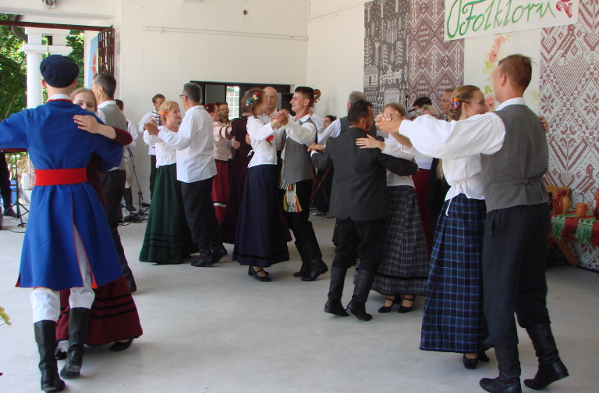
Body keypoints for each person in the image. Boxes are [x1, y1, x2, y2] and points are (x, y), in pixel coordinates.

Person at [378, 54, 569, 392]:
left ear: (505, 80)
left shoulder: (498, 121)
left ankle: (509, 378)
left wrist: (402, 125)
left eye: (495, 75)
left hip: (508, 211)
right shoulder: (533, 119)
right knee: (530, 290)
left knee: (496, 294)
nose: (492, 82)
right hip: (538, 209)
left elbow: (446, 139)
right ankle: (550, 360)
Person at [0, 55, 124, 392]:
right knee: (84, 279)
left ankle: (47, 374)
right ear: (74, 84)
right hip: (82, 200)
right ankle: (75, 357)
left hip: (44, 202)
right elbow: (113, 156)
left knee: (44, 282)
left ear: (44, 84)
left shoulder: (31, 117)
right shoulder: (85, 117)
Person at [310, 100, 418, 321]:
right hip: (369, 211)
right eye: (371, 118)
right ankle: (357, 303)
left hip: (343, 210)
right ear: (363, 120)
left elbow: (321, 164)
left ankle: (333, 300)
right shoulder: (372, 142)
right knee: (369, 256)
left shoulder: (336, 142)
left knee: (342, 254)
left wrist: (312, 153)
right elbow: (407, 167)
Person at [56, 87, 142, 357]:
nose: (83, 107)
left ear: (95, 109)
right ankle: (65, 333)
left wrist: (99, 128)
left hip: (92, 203)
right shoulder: (60, 130)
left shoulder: (97, 131)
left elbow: (125, 137)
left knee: (100, 268)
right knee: (67, 269)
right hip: (63, 208)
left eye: (89, 104)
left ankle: (115, 328)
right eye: (78, 103)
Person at [354, 103, 429, 315]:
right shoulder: (381, 139)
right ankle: (391, 291)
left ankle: (408, 292)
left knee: (405, 243)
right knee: (388, 243)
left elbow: (410, 151)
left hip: (404, 191)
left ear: (400, 116)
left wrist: (379, 145)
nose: (385, 117)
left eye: (390, 114)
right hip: (384, 193)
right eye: (383, 113)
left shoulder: (405, 135)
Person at [145, 83, 227, 267]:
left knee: (194, 214)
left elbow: (181, 142)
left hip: (193, 171)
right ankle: (217, 245)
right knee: (206, 211)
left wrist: (160, 131)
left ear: (185, 98)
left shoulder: (192, 115)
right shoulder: (205, 113)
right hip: (203, 168)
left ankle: (205, 252)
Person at [234, 88, 290, 281]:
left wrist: (283, 121)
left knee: (266, 214)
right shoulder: (253, 121)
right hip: (259, 170)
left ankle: (261, 258)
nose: (268, 101)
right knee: (259, 214)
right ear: (255, 103)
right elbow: (259, 134)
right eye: (264, 99)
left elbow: (277, 134)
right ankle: (255, 261)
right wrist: (275, 122)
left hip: (268, 169)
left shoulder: (265, 120)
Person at [92, 73, 137, 293]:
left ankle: (125, 278)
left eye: (93, 86)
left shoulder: (102, 112)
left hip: (108, 173)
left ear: (100, 89)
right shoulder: (118, 112)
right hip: (117, 171)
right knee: (107, 225)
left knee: (108, 226)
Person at [278, 86, 328, 281]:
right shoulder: (294, 122)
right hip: (287, 177)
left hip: (300, 179)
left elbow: (303, 137)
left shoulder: (310, 124)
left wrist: (287, 123)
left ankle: (316, 261)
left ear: (306, 102)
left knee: (300, 221)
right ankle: (308, 261)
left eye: (296, 99)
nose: (291, 102)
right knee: (292, 221)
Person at [139, 101, 197, 264]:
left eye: (179, 111)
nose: (179, 114)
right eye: (175, 112)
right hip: (167, 173)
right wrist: (152, 128)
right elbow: (148, 140)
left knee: (180, 209)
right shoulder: (160, 130)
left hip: (182, 171)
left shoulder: (181, 130)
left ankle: (183, 247)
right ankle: (165, 251)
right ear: (165, 114)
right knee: (168, 209)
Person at [220, 105, 253, 244]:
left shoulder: (236, 123)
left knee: (238, 198)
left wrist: (233, 142)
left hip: (240, 164)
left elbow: (232, 140)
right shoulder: (248, 123)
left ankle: (238, 231)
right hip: (247, 164)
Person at [138, 93, 165, 198]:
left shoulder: (167, 114)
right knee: (154, 174)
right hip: (154, 150)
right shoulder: (149, 115)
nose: (162, 105)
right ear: (155, 103)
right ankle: (153, 197)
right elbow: (140, 128)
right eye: (160, 103)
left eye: (164, 103)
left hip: (165, 148)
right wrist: (149, 128)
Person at [209, 103, 232, 224]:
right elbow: (219, 133)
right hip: (216, 161)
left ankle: (223, 220)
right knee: (217, 192)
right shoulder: (213, 125)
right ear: (212, 113)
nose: (220, 113)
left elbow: (228, 142)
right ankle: (218, 221)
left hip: (223, 161)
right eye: (218, 110)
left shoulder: (221, 124)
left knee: (223, 191)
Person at [115, 99, 138, 213]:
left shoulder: (129, 123)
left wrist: (125, 141)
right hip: (113, 156)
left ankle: (128, 203)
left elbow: (134, 140)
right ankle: (117, 205)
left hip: (125, 155)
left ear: (122, 109)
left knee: (127, 179)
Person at [312, 115, 336, 217]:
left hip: (330, 163)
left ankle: (331, 210)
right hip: (321, 159)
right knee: (320, 183)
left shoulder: (335, 134)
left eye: (327, 121)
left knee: (329, 184)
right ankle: (321, 208)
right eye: (324, 121)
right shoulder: (322, 134)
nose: (324, 123)